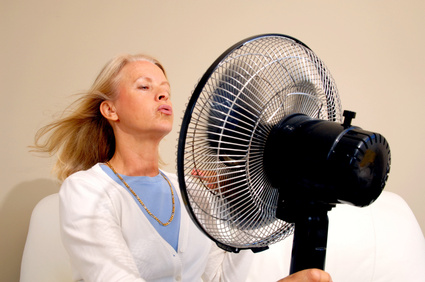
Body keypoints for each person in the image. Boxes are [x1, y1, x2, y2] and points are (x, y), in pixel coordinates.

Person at [33, 53, 332, 282]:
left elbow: (219, 279)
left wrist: (237, 203)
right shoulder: (87, 190)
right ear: (110, 109)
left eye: (166, 89)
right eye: (144, 87)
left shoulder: (192, 192)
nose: (163, 95)